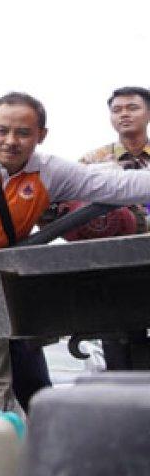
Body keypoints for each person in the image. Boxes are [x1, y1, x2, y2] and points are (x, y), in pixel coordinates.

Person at [0, 91, 150, 413]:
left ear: (41, 136)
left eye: (23, 133)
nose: (10, 141)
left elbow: (117, 186)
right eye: (2, 130)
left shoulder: (49, 171)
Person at [74, 86, 150, 371]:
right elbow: (66, 209)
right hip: (111, 267)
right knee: (116, 343)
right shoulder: (93, 162)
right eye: (117, 110)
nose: (124, 115)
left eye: (132, 108)